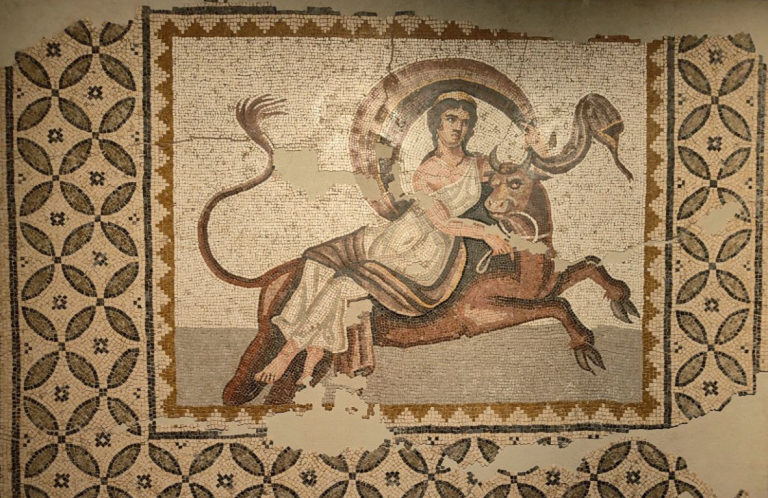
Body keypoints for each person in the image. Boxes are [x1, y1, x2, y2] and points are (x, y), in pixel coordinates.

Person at [254, 92, 515, 385]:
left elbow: (516, 166)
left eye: (465, 122)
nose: (458, 127)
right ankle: (311, 359)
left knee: (342, 285)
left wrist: (533, 141)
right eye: (451, 119)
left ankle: (287, 354)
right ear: (437, 125)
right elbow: (440, 219)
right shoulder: (424, 173)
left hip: (424, 254)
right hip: (399, 237)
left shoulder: (478, 165)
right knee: (318, 261)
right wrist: (485, 233)